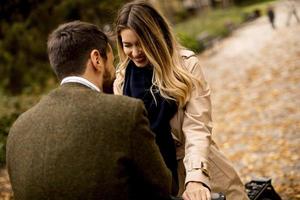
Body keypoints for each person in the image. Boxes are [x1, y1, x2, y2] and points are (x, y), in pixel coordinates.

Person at [6, 20, 173, 200]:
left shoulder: (18, 128)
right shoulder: (124, 112)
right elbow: (161, 186)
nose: (114, 68)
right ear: (96, 59)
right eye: (111, 59)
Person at [113, 1, 249, 200]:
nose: (135, 52)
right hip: (158, 182)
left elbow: (197, 126)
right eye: (127, 45)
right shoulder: (122, 79)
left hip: (199, 168)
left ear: (155, 37)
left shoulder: (185, 66)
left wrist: (196, 178)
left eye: (141, 43)